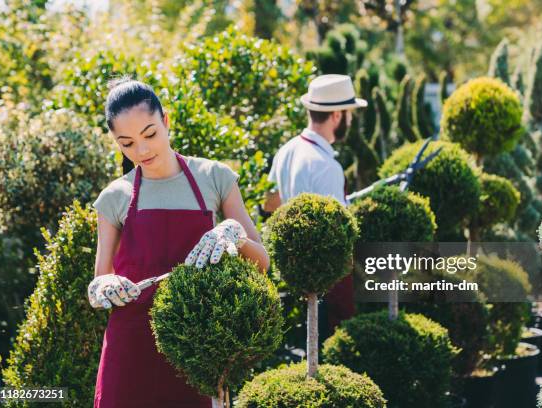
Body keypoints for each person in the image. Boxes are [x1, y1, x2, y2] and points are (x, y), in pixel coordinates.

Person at [88, 78, 269, 408]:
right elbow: (98, 282)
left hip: (193, 349)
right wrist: (106, 286)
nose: (141, 151)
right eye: (126, 143)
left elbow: (262, 263)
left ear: (166, 121)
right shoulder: (114, 197)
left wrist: (232, 232)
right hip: (129, 352)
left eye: (150, 134)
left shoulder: (215, 178)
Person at [263, 74, 367, 333]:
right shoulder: (326, 166)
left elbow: (269, 204)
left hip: (290, 272)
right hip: (324, 280)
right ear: (336, 116)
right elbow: (339, 238)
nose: (350, 120)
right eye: (349, 113)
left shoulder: (286, 150)